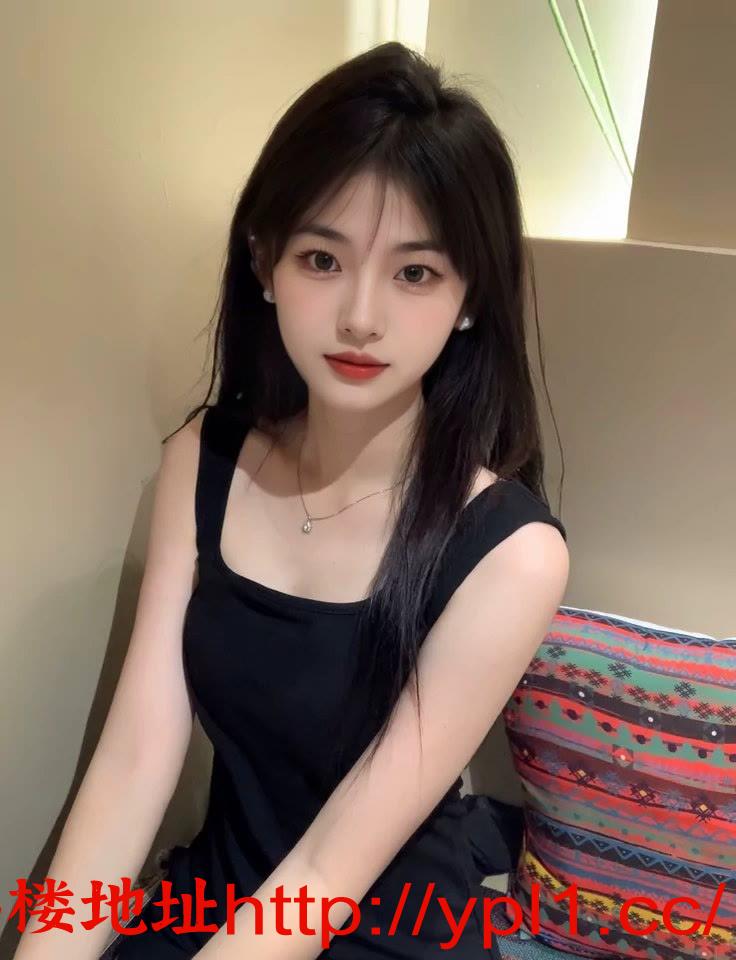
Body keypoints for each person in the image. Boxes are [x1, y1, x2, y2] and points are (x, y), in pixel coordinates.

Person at [15, 41, 569, 960]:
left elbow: (325, 872)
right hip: (208, 905)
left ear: (470, 298)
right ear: (264, 262)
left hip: (379, 932)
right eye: (321, 258)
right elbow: (134, 763)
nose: (361, 316)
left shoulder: (512, 552)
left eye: (416, 273)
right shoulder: (203, 460)